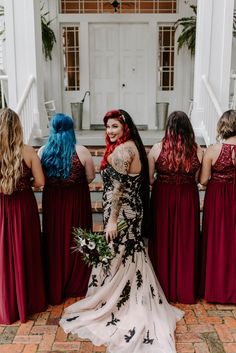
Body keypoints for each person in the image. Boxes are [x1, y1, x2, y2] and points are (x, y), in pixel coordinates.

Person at [60, 109, 183, 353]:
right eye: (107, 127)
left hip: (122, 214)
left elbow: (117, 190)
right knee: (129, 254)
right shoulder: (133, 146)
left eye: (114, 126)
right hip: (133, 212)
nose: (110, 131)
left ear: (124, 127)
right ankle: (131, 298)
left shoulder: (123, 151)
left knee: (119, 255)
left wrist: (112, 221)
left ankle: (118, 303)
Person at [38, 113, 95, 305]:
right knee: (77, 236)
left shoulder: (42, 151)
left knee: (55, 238)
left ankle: (56, 280)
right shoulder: (82, 151)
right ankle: (78, 281)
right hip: (76, 201)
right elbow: (90, 177)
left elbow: (40, 180)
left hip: (53, 201)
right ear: (72, 129)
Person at [148, 111, 203, 304]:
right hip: (188, 197)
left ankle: (163, 288)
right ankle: (185, 288)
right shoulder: (198, 151)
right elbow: (200, 179)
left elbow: (149, 180)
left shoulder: (156, 149)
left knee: (163, 238)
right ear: (188, 128)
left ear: (168, 127)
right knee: (186, 240)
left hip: (163, 197)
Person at [0, 108, 47, 324]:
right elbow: (41, 182)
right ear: (18, 128)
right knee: (24, 249)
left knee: (3, 252)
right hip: (22, 208)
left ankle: (6, 302)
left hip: (2, 206)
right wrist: (24, 184)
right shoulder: (29, 152)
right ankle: (29, 300)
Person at [200, 109, 236, 303]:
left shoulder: (213, 150)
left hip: (218, 199)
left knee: (218, 239)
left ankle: (217, 289)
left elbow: (204, 180)